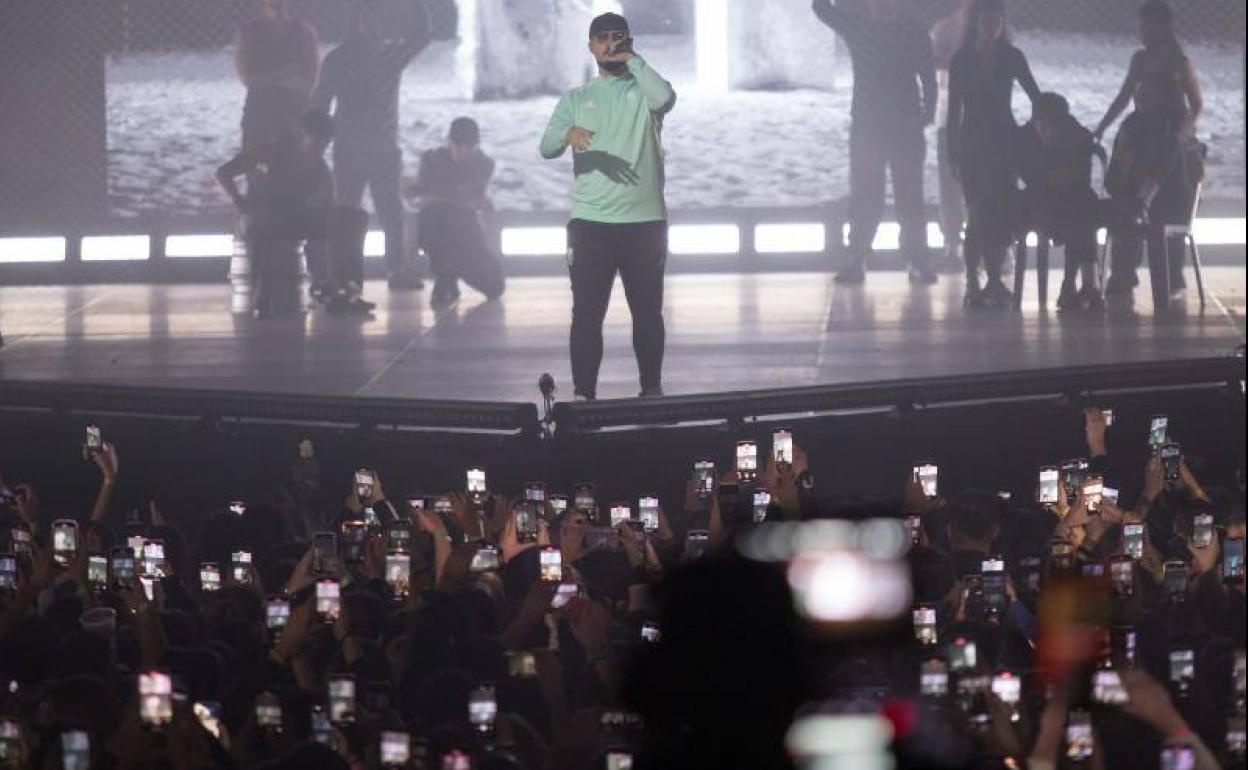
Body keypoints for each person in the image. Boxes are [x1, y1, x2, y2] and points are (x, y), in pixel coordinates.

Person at [539, 12, 676, 401]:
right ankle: (584, 396)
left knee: (647, 313)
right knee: (586, 315)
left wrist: (632, 58)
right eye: (603, 38)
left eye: (619, 37)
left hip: (645, 222)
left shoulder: (643, 93)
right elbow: (547, 147)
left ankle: (651, 389)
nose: (610, 44)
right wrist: (569, 133)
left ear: (629, 41)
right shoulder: (577, 98)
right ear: (591, 45)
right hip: (590, 224)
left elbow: (665, 97)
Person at [812, 0, 938, 286]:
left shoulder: (893, 29)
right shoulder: (880, 28)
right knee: (872, 194)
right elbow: (821, 8)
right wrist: (926, 113)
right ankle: (861, 258)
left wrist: (926, 114)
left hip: (895, 124)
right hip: (876, 124)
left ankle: (908, 259)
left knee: (904, 196)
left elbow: (929, 77)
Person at [311, 0, 432, 295]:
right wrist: (315, 149)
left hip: (381, 150)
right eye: (371, 17)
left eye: (381, 17)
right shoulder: (345, 59)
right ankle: (349, 277)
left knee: (387, 213)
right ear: (355, 20)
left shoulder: (385, 54)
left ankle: (392, 270)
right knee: (350, 215)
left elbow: (422, 37)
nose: (378, 23)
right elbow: (319, 107)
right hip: (352, 150)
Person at [216, 110, 375, 317]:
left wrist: (332, 227)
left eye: (325, 145)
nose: (320, 149)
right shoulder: (268, 154)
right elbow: (223, 173)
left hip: (296, 218)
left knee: (354, 220)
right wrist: (240, 203)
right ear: (302, 134)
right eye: (317, 143)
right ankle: (262, 295)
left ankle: (345, 290)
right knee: (265, 226)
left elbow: (330, 209)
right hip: (263, 215)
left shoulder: (320, 168)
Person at [1094, 0, 1203, 300]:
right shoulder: (1139, 60)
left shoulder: (1179, 62)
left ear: (1162, 27)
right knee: (1126, 193)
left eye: (1147, 25)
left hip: (1170, 138)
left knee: (1167, 172)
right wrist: (1102, 127)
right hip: (1143, 136)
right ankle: (1123, 272)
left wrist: (1184, 132)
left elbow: (1196, 105)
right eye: (1140, 25)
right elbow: (1123, 95)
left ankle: (1171, 271)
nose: (1142, 31)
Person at [946, 0, 1040, 309]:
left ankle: (995, 280)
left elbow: (1036, 97)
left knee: (998, 212)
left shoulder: (1012, 57)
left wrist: (1027, 133)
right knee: (976, 212)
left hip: (1003, 143)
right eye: (987, 21)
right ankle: (973, 280)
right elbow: (953, 110)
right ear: (976, 23)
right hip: (974, 143)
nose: (992, 27)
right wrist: (952, 150)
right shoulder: (961, 60)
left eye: (997, 21)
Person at [1016, 93, 1104, 312]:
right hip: (1041, 200)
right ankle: (1084, 284)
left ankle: (1076, 284)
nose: (1048, 131)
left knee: (1081, 208)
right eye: (1042, 125)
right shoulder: (1025, 137)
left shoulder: (1078, 137)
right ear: (1035, 122)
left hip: (1069, 199)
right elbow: (1028, 175)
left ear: (1063, 123)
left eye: (1053, 125)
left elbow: (1079, 179)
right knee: (1081, 211)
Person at [406, 117, 506, 305]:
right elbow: (419, 194)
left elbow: (474, 200)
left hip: (465, 231)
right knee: (434, 220)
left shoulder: (483, 163)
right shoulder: (432, 160)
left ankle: (450, 272)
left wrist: (437, 196)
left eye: (468, 147)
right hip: (437, 226)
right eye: (458, 146)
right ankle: (445, 277)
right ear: (450, 143)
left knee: (495, 286)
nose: (462, 152)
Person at [234, 0, 320, 153]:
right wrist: (284, 73)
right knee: (259, 171)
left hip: (293, 116)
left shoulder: (304, 32)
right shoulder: (249, 32)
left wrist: (268, 78)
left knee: (293, 170)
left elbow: (309, 81)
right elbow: (247, 78)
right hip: (260, 118)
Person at [930, 0, 971, 273]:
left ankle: (957, 244)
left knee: (956, 182)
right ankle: (954, 243)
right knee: (951, 182)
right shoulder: (945, 14)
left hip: (965, 114)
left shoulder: (946, 15)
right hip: (953, 113)